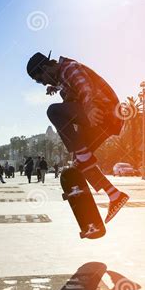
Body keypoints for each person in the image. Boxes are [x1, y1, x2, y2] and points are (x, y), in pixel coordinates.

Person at [27, 52, 129, 223]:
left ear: (45, 68)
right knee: (80, 161)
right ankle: (114, 195)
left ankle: (82, 156)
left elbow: (85, 87)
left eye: (40, 79)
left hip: (103, 114)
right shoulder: (61, 78)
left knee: (53, 111)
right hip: (104, 121)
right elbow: (69, 94)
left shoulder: (69, 68)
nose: (43, 83)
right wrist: (58, 88)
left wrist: (89, 108)